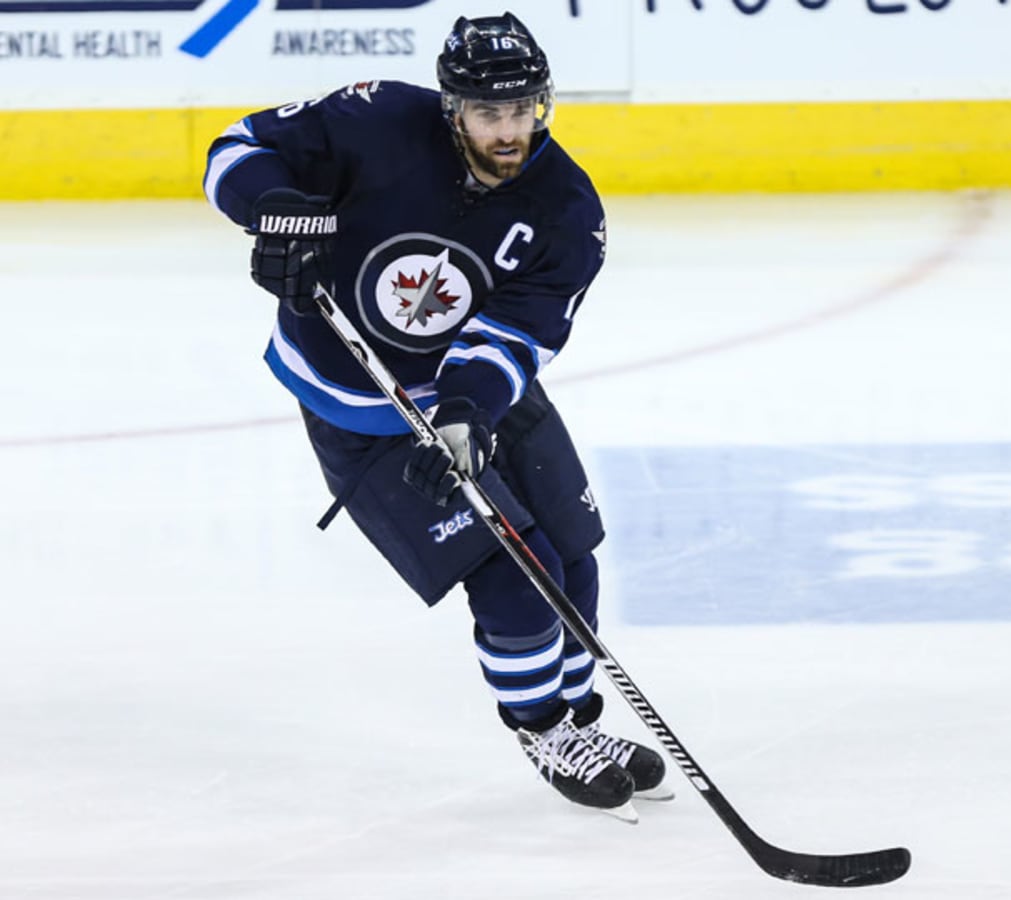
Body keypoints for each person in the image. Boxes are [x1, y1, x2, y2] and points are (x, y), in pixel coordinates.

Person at [203, 11, 669, 819]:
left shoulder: (567, 209)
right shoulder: (377, 117)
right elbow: (235, 150)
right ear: (452, 108)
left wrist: (464, 411)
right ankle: (544, 728)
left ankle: (579, 714)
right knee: (516, 574)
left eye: (524, 109)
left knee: (573, 553)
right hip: (363, 403)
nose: (509, 129)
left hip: (481, 396)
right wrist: (274, 208)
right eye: (490, 112)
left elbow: (515, 332)